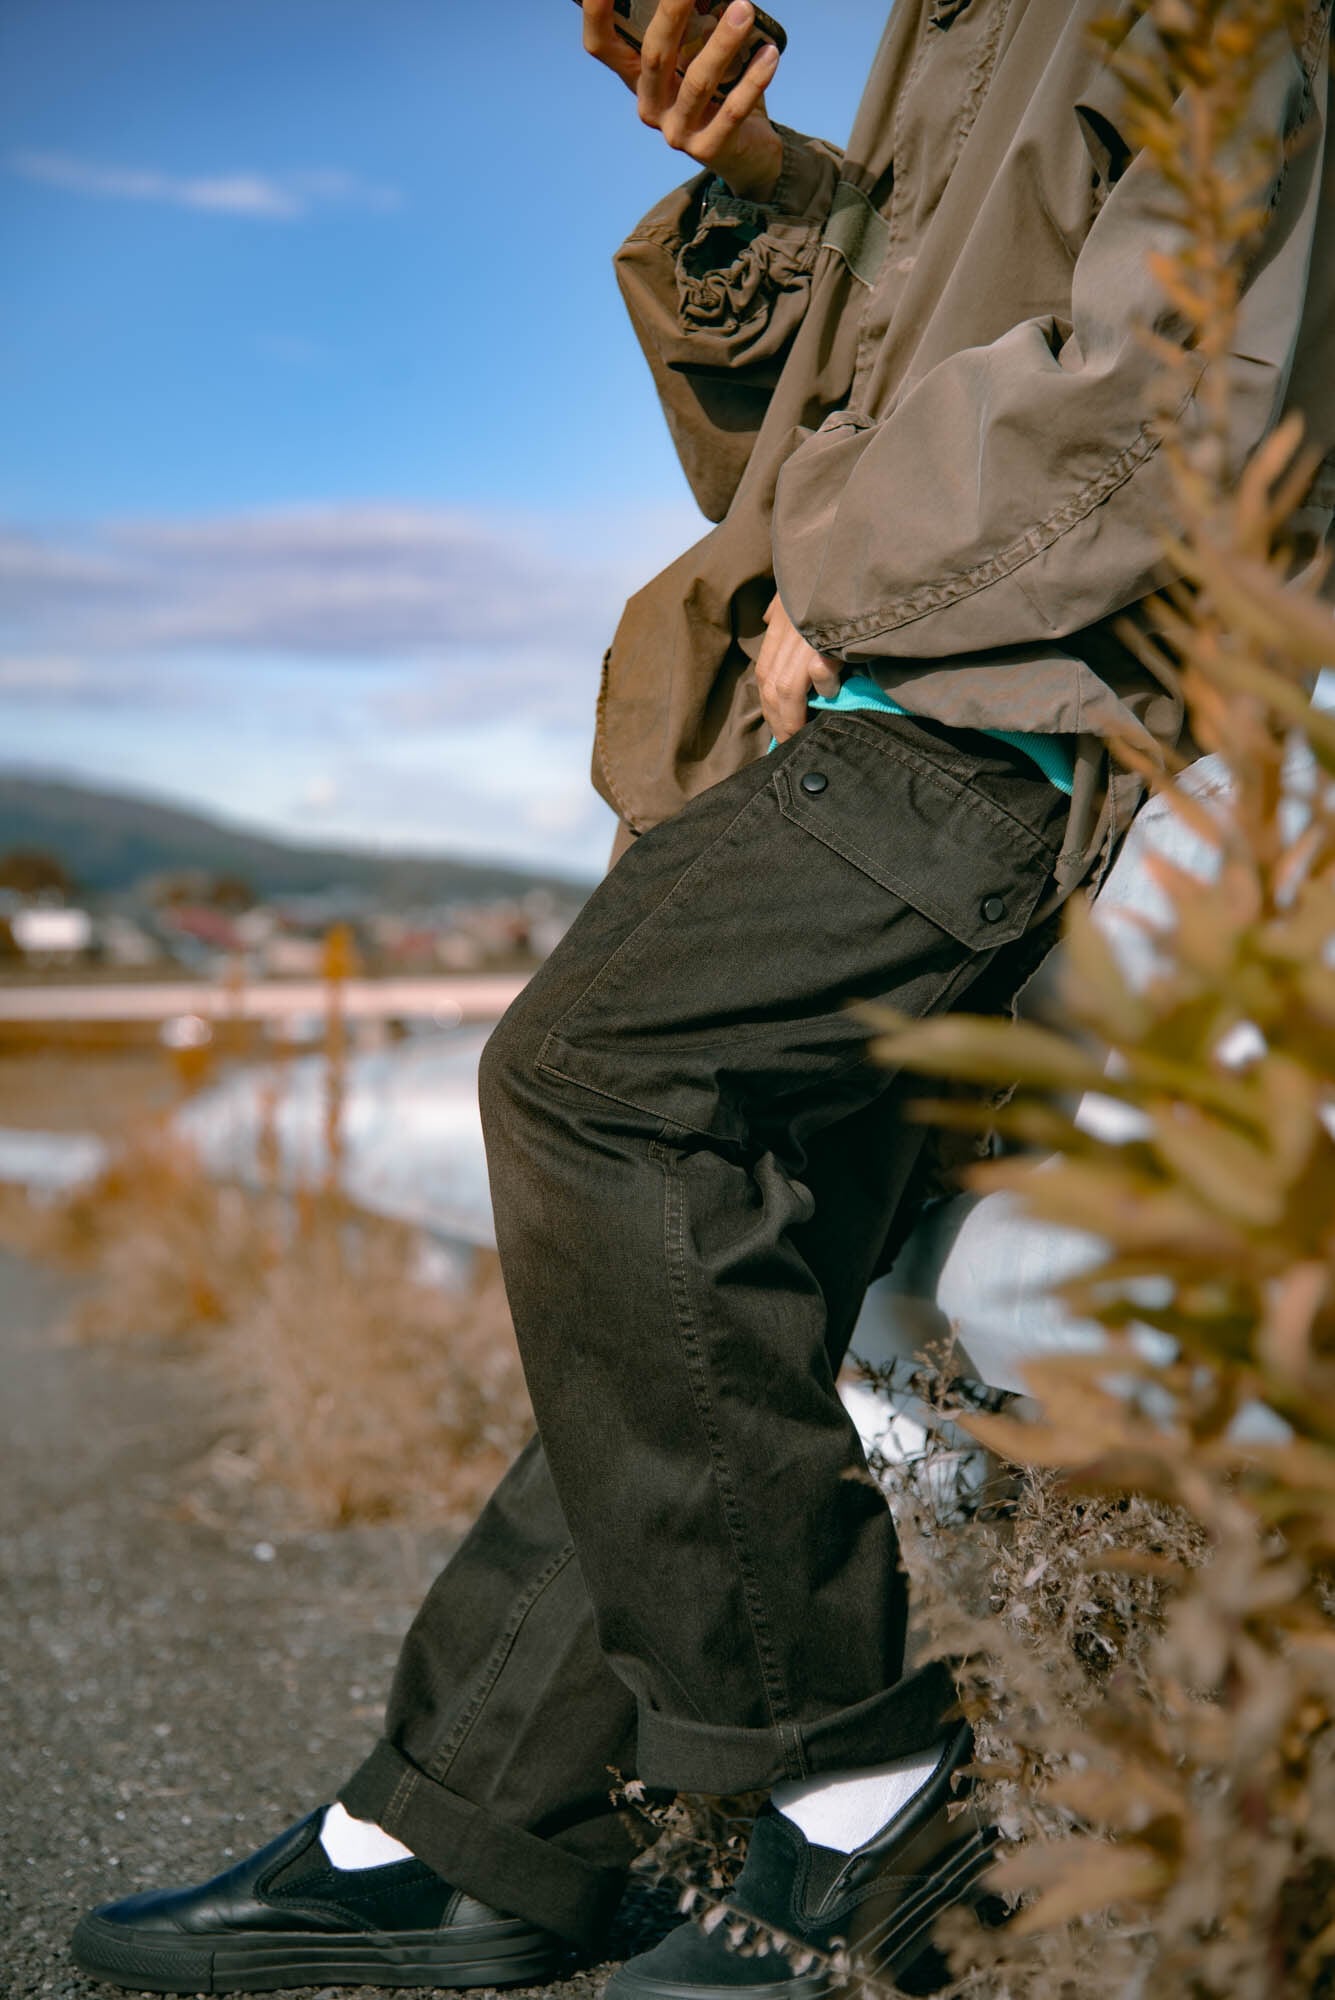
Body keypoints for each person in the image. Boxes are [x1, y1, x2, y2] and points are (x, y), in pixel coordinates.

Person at [72, 1, 1334, 1994]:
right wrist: (759, 182)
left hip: (996, 729)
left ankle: (859, 1783)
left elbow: (1185, 384)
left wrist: (841, 572)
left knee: (596, 1086)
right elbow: (838, 409)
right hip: (890, 702)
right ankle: (472, 1829)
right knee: (721, 1256)